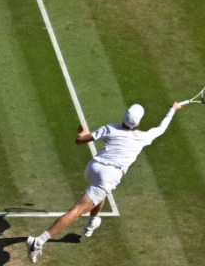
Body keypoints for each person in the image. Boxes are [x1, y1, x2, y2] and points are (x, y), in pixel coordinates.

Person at [26, 102, 182, 263]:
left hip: (92, 169)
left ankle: (92, 222)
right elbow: (161, 128)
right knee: (76, 212)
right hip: (108, 176)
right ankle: (38, 242)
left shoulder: (111, 128)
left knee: (101, 193)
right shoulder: (143, 137)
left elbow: (80, 140)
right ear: (138, 122)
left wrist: (82, 132)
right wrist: (172, 109)